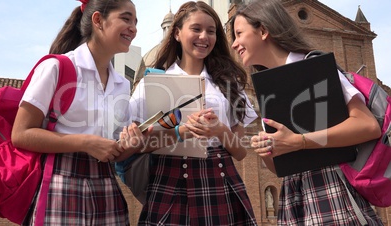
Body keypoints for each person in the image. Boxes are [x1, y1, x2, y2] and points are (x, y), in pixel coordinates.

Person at [230, 0, 383, 225]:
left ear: (263, 31)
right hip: (294, 197)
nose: (234, 44)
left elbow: (367, 126)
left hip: (331, 192)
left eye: (239, 34)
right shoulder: (268, 87)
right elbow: (279, 168)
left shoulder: (314, 66)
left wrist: (299, 141)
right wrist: (267, 149)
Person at [11, 0, 147, 225]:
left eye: (135, 21)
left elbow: (113, 150)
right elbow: (21, 134)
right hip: (59, 184)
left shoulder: (122, 84)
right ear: (98, 21)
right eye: (126, 18)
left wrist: (129, 145)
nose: (134, 28)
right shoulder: (57, 67)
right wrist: (85, 142)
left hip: (105, 186)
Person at [130, 1, 258, 225]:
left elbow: (240, 152)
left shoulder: (229, 85)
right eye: (196, 29)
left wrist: (220, 130)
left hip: (220, 179)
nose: (204, 37)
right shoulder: (153, 83)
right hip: (170, 181)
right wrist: (180, 131)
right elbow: (137, 144)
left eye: (211, 31)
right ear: (177, 33)